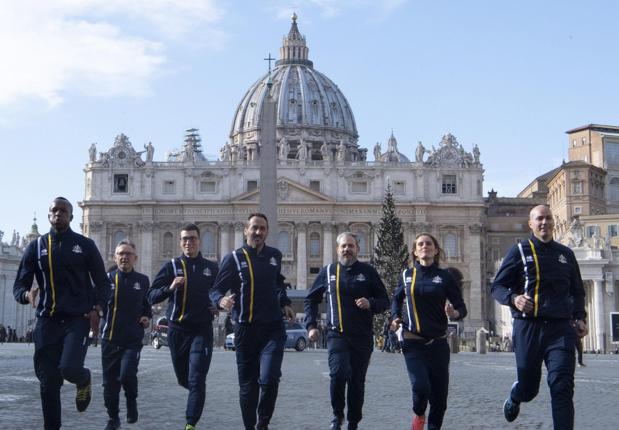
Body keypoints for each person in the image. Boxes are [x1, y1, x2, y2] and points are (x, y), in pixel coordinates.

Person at [13, 197, 108, 430]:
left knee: (69, 368)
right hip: (47, 321)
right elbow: (19, 287)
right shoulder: (35, 248)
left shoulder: (85, 245)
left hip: (77, 319)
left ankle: (83, 379)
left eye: (63, 211)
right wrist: (28, 296)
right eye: (54, 210)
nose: (58, 214)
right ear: (48, 216)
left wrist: (97, 308)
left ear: (71, 217)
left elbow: (103, 284)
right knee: (48, 383)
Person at [491, 205, 587, 430]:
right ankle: (516, 395)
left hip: (560, 328)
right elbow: (497, 286)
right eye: (539, 219)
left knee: (562, 386)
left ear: (554, 222)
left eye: (548, 218)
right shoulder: (520, 251)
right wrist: (514, 298)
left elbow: (577, 291)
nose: (545, 222)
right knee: (529, 388)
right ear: (530, 224)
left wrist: (580, 316)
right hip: (529, 327)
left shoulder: (566, 254)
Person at [210, 213, 295, 430]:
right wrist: (221, 300)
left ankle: (263, 423)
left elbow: (278, 283)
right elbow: (216, 288)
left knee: (270, 378)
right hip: (245, 329)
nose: (258, 232)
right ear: (246, 230)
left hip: (273, 328)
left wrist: (285, 303)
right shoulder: (234, 258)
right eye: (254, 228)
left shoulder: (274, 255)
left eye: (262, 228)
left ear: (267, 231)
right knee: (248, 386)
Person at [304, 232, 389, 430]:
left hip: (362, 336)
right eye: (343, 246)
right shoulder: (329, 271)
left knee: (357, 382)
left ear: (357, 249)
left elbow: (384, 301)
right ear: (337, 249)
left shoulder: (368, 272)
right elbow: (311, 299)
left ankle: (353, 421)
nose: (346, 249)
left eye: (351, 246)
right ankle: (337, 415)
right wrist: (311, 325)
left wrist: (371, 303)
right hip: (337, 335)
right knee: (338, 374)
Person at [391, 233, 467, 430]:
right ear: (415, 252)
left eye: (429, 243)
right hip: (412, 341)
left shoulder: (445, 277)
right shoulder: (407, 276)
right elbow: (396, 299)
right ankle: (418, 413)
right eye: (420, 244)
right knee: (421, 387)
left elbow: (461, 307)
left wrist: (454, 312)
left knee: (440, 400)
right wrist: (395, 317)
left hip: (439, 343)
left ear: (435, 249)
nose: (425, 246)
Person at [148, 223, 219, 430]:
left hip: (202, 330)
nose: (189, 242)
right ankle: (197, 393)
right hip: (177, 329)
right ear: (180, 243)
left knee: (197, 377)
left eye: (193, 238)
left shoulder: (211, 268)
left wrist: (219, 305)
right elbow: (151, 295)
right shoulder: (171, 266)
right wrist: (169, 288)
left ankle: (190, 423)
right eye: (185, 239)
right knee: (183, 378)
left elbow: (220, 292)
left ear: (200, 241)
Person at [100, 240, 152, 430]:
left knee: (127, 375)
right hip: (110, 338)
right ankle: (113, 418)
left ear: (135, 258)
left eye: (128, 254)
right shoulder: (107, 279)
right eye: (121, 254)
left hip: (132, 339)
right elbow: (96, 302)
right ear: (115, 257)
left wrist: (146, 316)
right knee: (109, 384)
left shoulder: (143, 281)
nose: (125, 257)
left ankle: (131, 401)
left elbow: (147, 306)